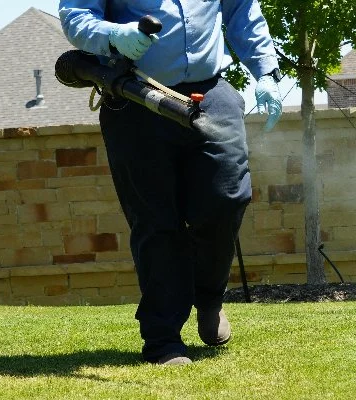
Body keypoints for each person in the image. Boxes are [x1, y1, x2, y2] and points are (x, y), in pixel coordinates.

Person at [59, 0, 283, 366]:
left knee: (227, 199)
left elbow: (243, 13)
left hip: (211, 94)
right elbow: (75, 16)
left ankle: (209, 299)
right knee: (156, 222)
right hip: (133, 96)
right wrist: (113, 34)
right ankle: (163, 340)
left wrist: (267, 72)